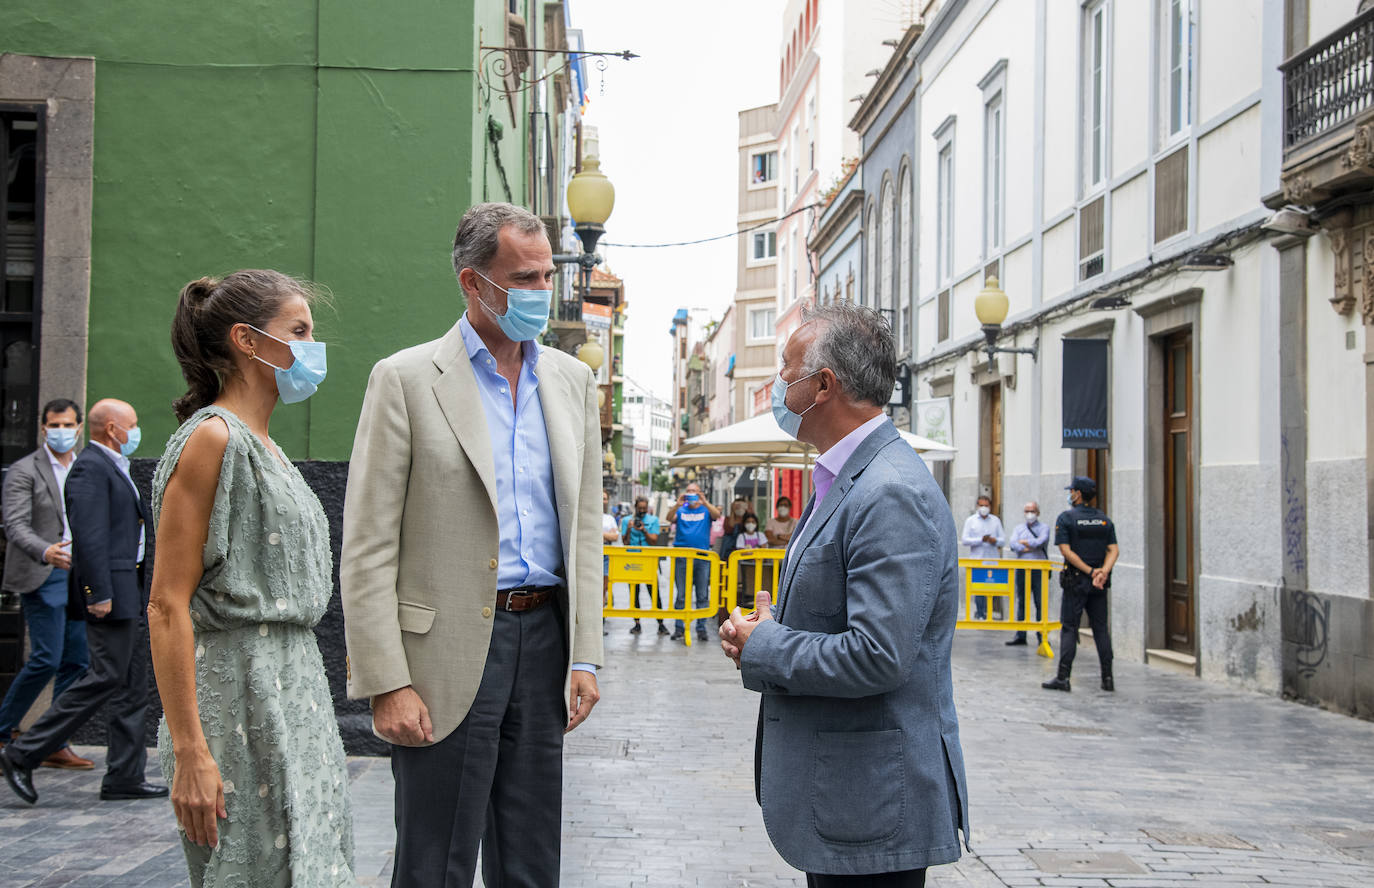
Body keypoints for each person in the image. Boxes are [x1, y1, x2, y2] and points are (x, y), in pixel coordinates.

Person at [341, 202, 603, 887]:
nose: (541, 292)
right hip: (443, 651)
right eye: (524, 278)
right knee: (435, 861)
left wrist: (587, 655)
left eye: (548, 275)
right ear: (472, 283)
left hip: (542, 641)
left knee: (531, 859)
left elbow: (583, 530)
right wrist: (387, 681)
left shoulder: (572, 384)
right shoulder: (404, 380)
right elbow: (368, 545)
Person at [720, 302, 968, 887]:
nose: (779, 385)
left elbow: (878, 655)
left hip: (871, 804)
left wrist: (768, 647)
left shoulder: (889, 491)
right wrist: (771, 628)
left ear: (824, 385)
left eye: (787, 370)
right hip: (849, 800)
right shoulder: (848, 478)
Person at [144, 271, 355, 885]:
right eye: (299, 331)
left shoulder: (267, 444)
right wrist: (189, 751)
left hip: (298, 692)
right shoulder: (213, 439)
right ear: (247, 340)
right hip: (238, 695)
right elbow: (165, 604)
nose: (312, 348)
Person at [1, 399, 166, 805]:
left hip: (129, 586)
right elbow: (89, 535)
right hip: (111, 590)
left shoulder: (112, 465)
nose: (136, 431)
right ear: (112, 428)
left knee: (131, 686)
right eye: (133, 424)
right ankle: (22, 753)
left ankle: (125, 776)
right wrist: (98, 593)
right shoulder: (92, 467)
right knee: (104, 676)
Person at [0, 398, 93, 770]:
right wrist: (45, 551)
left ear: (79, 427)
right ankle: (4, 730)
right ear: (42, 428)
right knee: (46, 658)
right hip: (44, 573)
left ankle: (56, 741)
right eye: (54, 425)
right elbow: (15, 524)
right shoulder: (25, 470)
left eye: (68, 425)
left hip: (80, 574)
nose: (61, 432)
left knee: (77, 660)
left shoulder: (85, 465)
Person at [1043, 477, 1119, 693]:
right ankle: (1108, 678)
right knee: (1101, 630)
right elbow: (1114, 550)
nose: (1071, 494)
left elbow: (1066, 550)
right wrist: (1103, 572)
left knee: (1069, 628)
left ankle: (1063, 677)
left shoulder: (1066, 519)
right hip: (1098, 584)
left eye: (1072, 491)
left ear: (1077, 494)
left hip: (1077, 580)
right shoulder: (1104, 520)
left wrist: (1091, 571)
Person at [670, 482, 719, 642]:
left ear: (699, 493)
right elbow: (669, 518)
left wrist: (704, 502)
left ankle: (701, 627)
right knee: (682, 594)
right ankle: (679, 627)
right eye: (689, 491)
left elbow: (716, 515)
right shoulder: (681, 509)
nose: (691, 494)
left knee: (702, 594)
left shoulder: (705, 509)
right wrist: (677, 504)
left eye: (694, 491)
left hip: (702, 557)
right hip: (682, 556)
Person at [621, 495, 667, 636]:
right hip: (632, 560)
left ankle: (661, 624)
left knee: (654, 593)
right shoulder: (626, 520)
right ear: (635, 507)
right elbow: (625, 542)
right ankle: (637, 624)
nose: (642, 511)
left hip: (648, 561)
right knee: (634, 593)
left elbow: (654, 540)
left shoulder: (653, 520)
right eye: (639, 508)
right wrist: (629, 529)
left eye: (644, 508)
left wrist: (644, 530)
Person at [1006, 501, 1050, 647]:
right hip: (1022, 568)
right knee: (1022, 602)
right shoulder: (1019, 528)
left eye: (1032, 510)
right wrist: (1027, 546)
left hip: (1039, 569)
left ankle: (1041, 636)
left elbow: (1041, 542)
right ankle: (1021, 635)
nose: (1030, 514)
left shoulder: (1044, 528)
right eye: (1027, 510)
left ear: (1038, 512)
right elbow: (1013, 544)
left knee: (1040, 602)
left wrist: (1025, 543)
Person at [960, 495, 1005, 619]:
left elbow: (1002, 541)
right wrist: (980, 540)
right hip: (977, 560)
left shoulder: (995, 521)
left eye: (986, 505)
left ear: (990, 506)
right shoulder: (971, 521)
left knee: (992, 588)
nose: (984, 508)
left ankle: (988, 612)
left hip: (992, 560)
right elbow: (965, 540)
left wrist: (993, 540)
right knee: (979, 589)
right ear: (977, 506)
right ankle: (980, 613)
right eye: (981, 505)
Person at [601, 489, 620, 636]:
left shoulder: (609, 518)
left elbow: (614, 537)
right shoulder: (587, 515)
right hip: (591, 553)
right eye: (600, 498)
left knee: (603, 588)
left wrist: (598, 534)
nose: (603, 501)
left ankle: (601, 621)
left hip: (606, 555)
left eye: (605, 498)